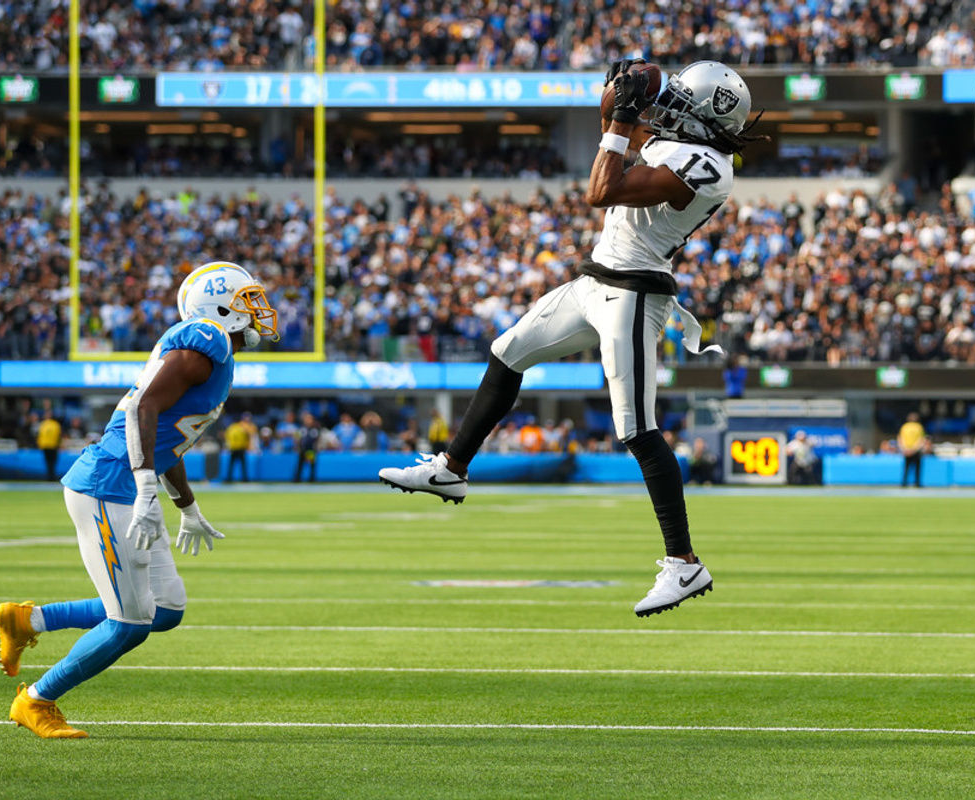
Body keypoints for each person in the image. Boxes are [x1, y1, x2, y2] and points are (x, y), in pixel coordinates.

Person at [380, 60, 761, 618]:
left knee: (636, 429)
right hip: (596, 280)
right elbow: (614, 126)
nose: (671, 105)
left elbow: (602, 189)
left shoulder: (708, 166)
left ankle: (684, 563)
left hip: (634, 293)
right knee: (508, 351)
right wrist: (618, 96)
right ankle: (452, 469)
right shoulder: (679, 141)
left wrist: (626, 116)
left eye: (683, 100)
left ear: (706, 119)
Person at [0, 261, 277, 739]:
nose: (259, 310)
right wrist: (146, 485)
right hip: (108, 486)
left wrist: (187, 507)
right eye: (248, 301)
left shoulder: (216, 351)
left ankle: (30, 619)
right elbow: (145, 407)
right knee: (130, 623)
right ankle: (36, 699)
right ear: (220, 306)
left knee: (165, 610)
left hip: (126, 485)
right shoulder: (204, 340)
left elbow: (166, 438)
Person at [898, 412, 925, 488]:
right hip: (915, 451)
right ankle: (916, 483)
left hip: (907, 451)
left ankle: (904, 483)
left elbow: (900, 439)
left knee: (907, 468)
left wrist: (905, 449)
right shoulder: (919, 427)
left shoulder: (905, 427)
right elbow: (921, 440)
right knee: (916, 468)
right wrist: (914, 449)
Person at [223, 414, 251, 482]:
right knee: (242, 465)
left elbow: (227, 438)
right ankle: (244, 479)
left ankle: (229, 478)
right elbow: (247, 436)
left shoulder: (231, 428)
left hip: (234, 448)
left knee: (231, 465)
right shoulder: (242, 427)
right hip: (241, 448)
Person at [36, 409, 63, 481]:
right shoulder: (54, 424)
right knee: (51, 462)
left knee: (50, 462)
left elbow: (40, 435)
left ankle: (50, 476)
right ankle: (51, 476)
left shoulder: (44, 424)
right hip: (50, 445)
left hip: (49, 445)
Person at [294, 412, 321, 482]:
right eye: (306, 419)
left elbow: (317, 439)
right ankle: (297, 479)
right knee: (300, 464)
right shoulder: (301, 428)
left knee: (312, 465)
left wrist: (316, 448)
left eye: (309, 419)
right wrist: (297, 446)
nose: (308, 420)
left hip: (310, 450)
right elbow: (296, 437)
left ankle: (312, 479)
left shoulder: (315, 429)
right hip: (302, 449)